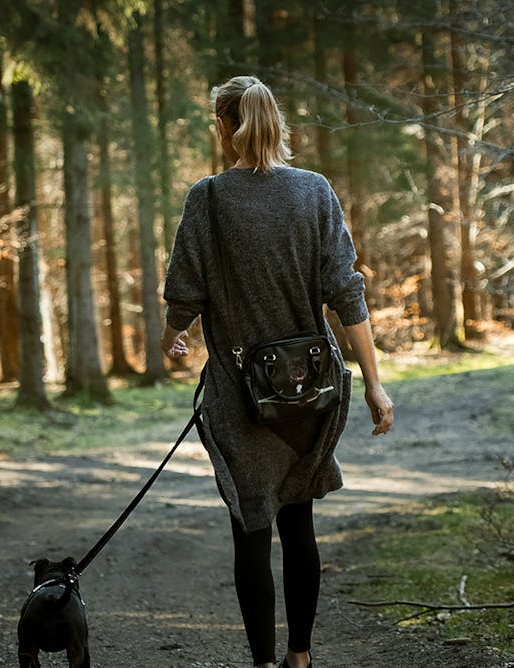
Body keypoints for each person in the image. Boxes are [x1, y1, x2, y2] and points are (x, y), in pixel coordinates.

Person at [161, 75, 394, 668]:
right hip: (309, 388)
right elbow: (347, 293)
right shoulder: (314, 192)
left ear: (223, 126)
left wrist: (175, 339)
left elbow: (183, 295)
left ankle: (263, 663)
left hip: (240, 392)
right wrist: (372, 381)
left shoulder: (208, 199)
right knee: (299, 523)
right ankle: (301, 659)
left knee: (251, 530)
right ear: (276, 124)